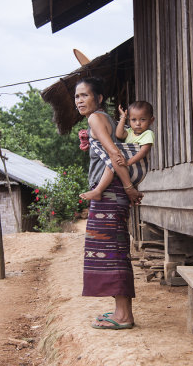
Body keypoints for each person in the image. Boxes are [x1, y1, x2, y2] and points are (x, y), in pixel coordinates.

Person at [75, 77, 143, 330]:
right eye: (76, 97)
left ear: (99, 98)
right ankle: (121, 310)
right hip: (114, 193)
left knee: (113, 252)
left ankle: (124, 316)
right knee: (115, 249)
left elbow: (114, 156)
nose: (79, 101)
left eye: (84, 95)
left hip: (110, 194)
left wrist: (128, 187)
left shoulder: (95, 118)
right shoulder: (105, 119)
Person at [79, 101, 155, 201]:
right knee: (112, 162)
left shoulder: (148, 133)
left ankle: (98, 190)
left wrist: (128, 162)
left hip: (135, 165)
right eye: (133, 120)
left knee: (113, 160)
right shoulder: (129, 131)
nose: (137, 123)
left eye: (143, 119)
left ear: (151, 120)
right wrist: (123, 117)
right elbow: (119, 134)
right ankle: (99, 191)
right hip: (125, 166)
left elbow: (143, 152)